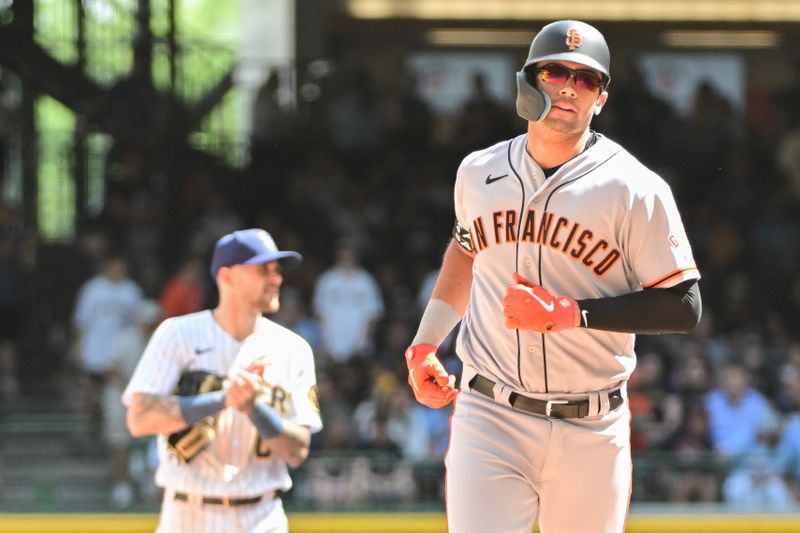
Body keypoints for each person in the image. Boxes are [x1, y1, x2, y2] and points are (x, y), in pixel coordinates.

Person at [404, 20, 702, 533]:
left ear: (601, 99)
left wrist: (573, 313)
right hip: (490, 412)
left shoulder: (634, 188)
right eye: (555, 72)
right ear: (528, 82)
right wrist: (425, 343)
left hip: (591, 421)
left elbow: (684, 304)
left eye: (587, 79)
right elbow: (466, 248)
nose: (569, 87)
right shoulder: (478, 171)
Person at [123, 228, 322, 532]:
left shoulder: (293, 349)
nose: (276, 279)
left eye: (277, 270)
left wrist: (255, 408)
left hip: (263, 516)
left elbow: (298, 451)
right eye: (263, 270)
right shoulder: (177, 335)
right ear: (227, 277)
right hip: (189, 515)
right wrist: (220, 400)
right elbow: (139, 418)